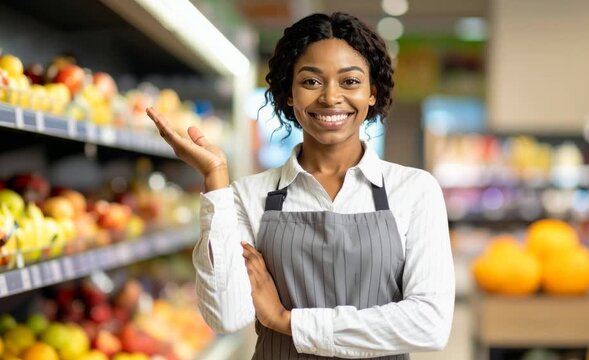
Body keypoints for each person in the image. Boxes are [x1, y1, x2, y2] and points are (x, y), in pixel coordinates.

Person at [146, 12, 454, 359]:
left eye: (350, 81)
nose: (330, 97)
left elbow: (430, 323)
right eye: (311, 82)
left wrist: (287, 320)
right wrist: (216, 179)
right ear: (289, 94)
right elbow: (227, 317)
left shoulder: (414, 191)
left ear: (372, 93)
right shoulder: (249, 195)